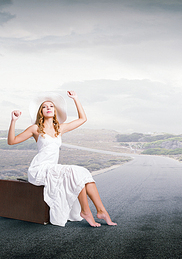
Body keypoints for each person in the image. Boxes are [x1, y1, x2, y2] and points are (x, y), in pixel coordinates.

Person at [7, 91, 117, 227]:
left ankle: (101, 211)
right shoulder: (35, 128)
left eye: (51, 106)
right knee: (76, 172)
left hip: (53, 168)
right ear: (40, 111)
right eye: (44, 106)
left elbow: (82, 119)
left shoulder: (60, 128)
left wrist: (76, 98)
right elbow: (12, 141)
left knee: (83, 173)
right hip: (39, 169)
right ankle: (86, 211)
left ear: (55, 111)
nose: (48, 108)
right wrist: (13, 120)